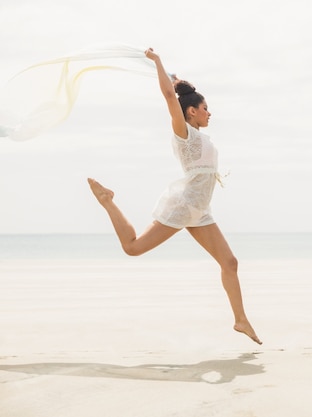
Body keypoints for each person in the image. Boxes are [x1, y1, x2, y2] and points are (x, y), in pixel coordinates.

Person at [87, 47, 261, 345]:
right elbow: (170, 99)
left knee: (230, 263)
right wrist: (157, 62)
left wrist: (178, 80)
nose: (209, 113)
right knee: (133, 248)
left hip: (201, 210)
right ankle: (108, 201)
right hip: (184, 206)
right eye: (205, 108)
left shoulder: (202, 136)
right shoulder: (185, 135)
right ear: (191, 111)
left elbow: (176, 92)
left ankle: (241, 321)